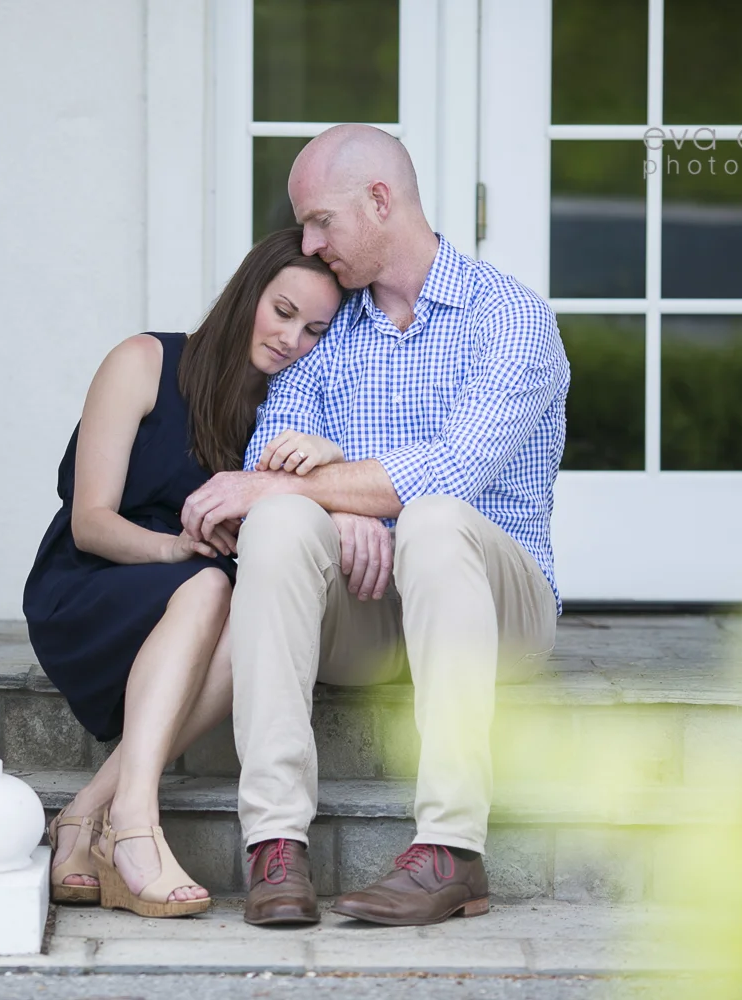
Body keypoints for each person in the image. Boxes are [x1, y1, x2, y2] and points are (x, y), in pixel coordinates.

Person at [180, 124, 570, 927]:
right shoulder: (330, 329)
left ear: (381, 201)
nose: (308, 245)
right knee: (281, 523)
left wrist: (338, 489)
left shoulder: (509, 319)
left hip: (495, 610)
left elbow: (451, 471)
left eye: (320, 221)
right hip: (366, 609)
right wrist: (327, 503)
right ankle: (275, 843)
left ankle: (453, 851)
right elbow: (268, 459)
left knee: (433, 518)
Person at [22, 228, 343, 917]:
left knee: (239, 611)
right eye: (283, 311)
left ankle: (86, 814)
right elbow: (90, 522)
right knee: (214, 584)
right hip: (91, 587)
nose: (291, 340)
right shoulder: (143, 361)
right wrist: (177, 549)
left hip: (198, 611)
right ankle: (135, 823)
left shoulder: (286, 413)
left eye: (314, 330)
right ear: (246, 294)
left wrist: (322, 458)